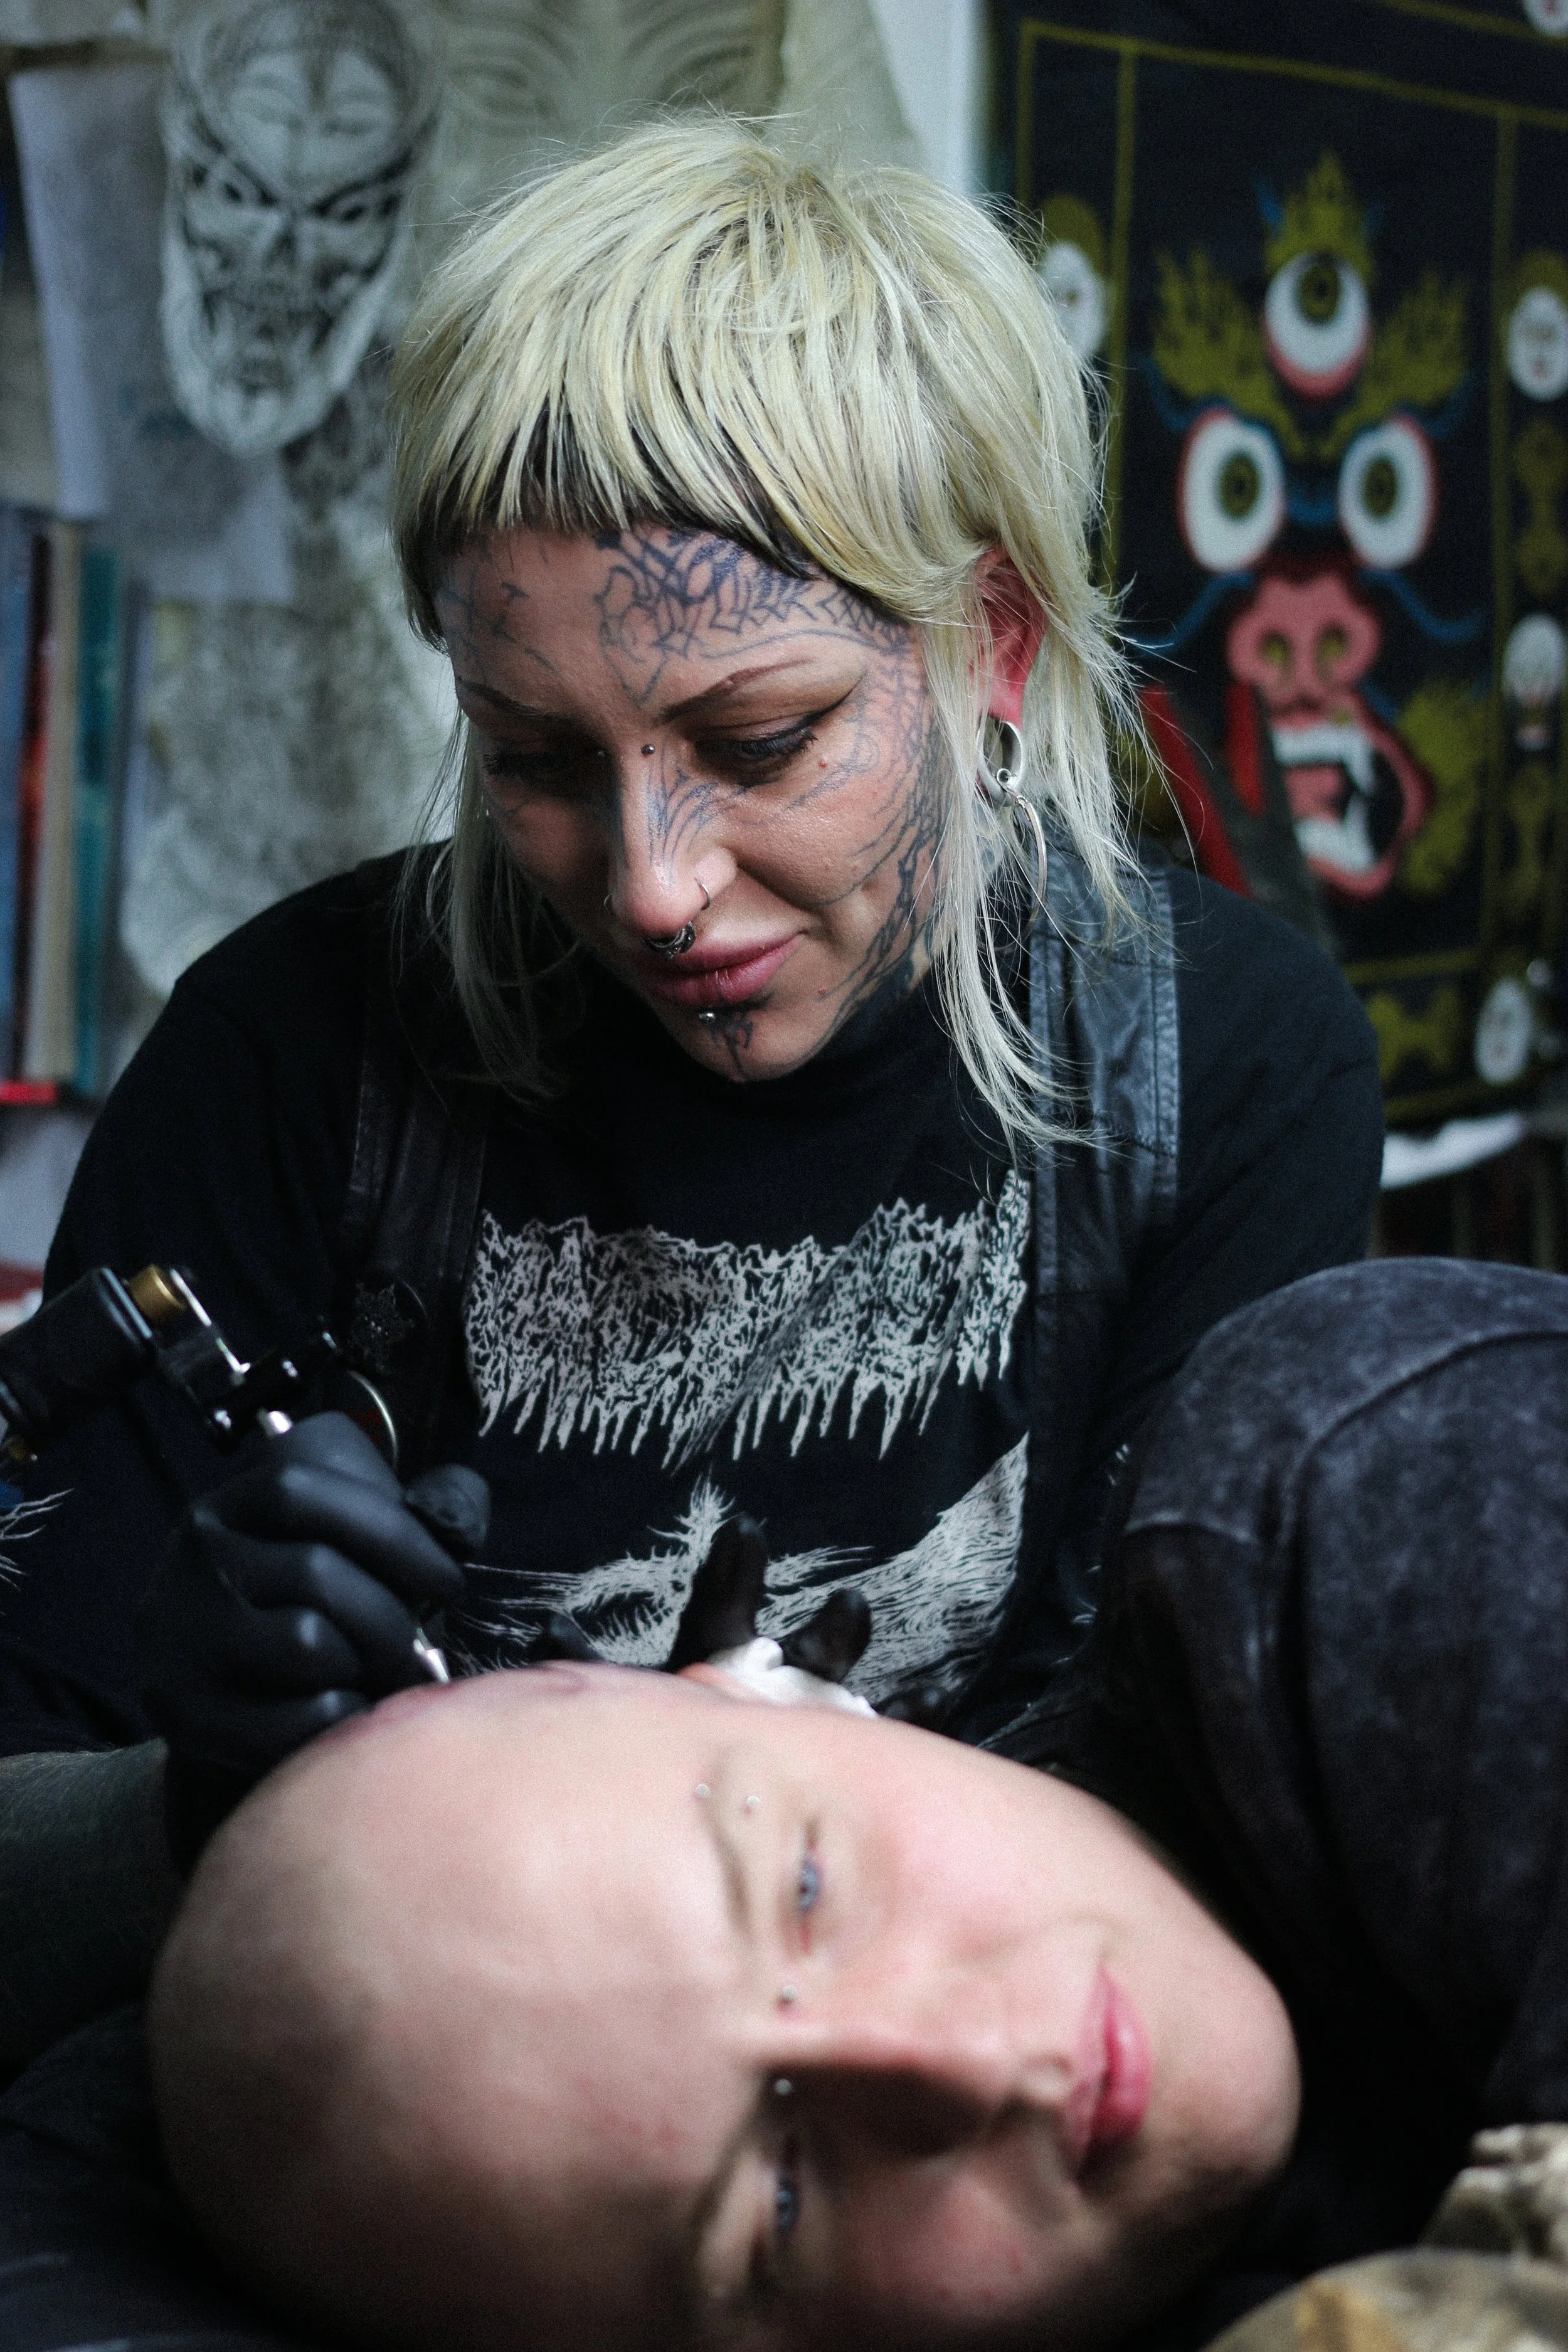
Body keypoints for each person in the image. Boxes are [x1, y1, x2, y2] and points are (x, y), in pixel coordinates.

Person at [0, 120, 1378, 2072]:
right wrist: (197, 1793)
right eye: (535, 756)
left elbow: (1198, 1854)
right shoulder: (291, 1051)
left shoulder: (1210, 1065)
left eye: (760, 738)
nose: (649, 882)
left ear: (985, 640)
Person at [114, 1252, 1568, 2352]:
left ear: (772, 1683)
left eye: (805, 1886)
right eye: (782, 2205)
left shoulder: (1331, 1487)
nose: (979, 2061)